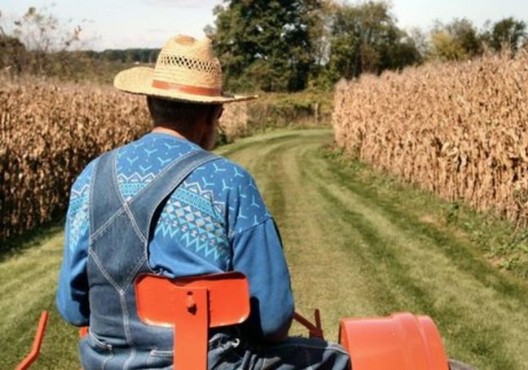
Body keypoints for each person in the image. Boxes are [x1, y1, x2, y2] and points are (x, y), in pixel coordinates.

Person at [56, 34, 351, 370]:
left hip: (105, 364)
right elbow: (272, 321)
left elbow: (72, 308)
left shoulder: (91, 178)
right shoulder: (229, 182)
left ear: (150, 104)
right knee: (342, 360)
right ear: (216, 114)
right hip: (211, 365)